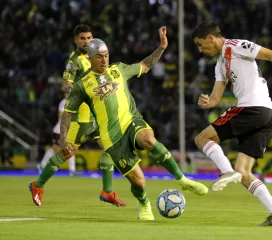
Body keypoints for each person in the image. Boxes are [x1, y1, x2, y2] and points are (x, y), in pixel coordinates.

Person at [60, 27, 208, 220]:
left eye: (106, 55)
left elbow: (145, 65)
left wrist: (162, 47)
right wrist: (63, 138)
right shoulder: (82, 85)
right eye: (99, 57)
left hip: (131, 121)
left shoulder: (118, 69)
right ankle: (144, 203)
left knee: (148, 138)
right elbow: (67, 112)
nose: (104, 60)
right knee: (139, 182)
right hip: (113, 139)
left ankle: (183, 180)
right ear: (90, 58)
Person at [192, 21, 272, 226]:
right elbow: (215, 98)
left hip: (253, 109)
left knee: (202, 138)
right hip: (267, 115)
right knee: (244, 172)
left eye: (200, 43)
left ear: (210, 37)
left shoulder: (235, 45)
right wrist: (207, 102)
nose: (200, 49)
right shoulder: (221, 64)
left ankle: (226, 171)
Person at [29, 24, 125, 207]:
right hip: (80, 118)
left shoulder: (95, 57)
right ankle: (37, 185)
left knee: (110, 148)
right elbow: (66, 82)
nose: (87, 41)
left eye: (89, 38)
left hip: (96, 115)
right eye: (83, 38)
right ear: (75, 40)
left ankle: (107, 191)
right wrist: (70, 89)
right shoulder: (74, 61)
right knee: (66, 152)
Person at [37, 94, 76, 175]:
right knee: (55, 150)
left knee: (71, 149)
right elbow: (60, 115)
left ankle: (72, 171)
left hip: (67, 131)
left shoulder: (73, 102)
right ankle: (42, 165)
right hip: (59, 131)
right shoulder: (64, 102)